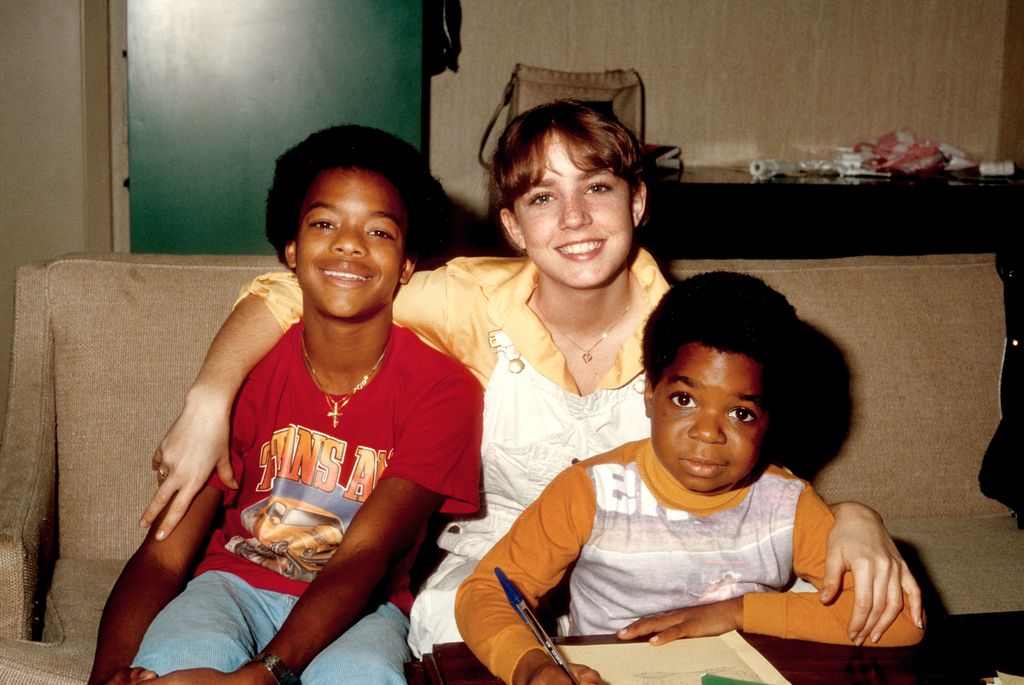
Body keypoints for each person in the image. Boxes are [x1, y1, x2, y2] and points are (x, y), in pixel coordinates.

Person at [138, 100, 922, 657]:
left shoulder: (690, 322)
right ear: (513, 225)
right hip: (503, 550)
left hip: (656, 556)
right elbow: (297, 290)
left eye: (598, 188)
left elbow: (742, 459)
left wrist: (854, 514)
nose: (574, 219)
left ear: (637, 201)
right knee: (449, 623)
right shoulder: (470, 299)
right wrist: (210, 398)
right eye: (544, 197)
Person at [87, 125, 482, 685]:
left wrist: (267, 673)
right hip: (232, 586)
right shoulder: (246, 370)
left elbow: (366, 554)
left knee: (362, 676)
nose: (349, 244)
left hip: (363, 606)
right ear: (291, 250)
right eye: (324, 224)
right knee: (178, 661)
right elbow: (164, 553)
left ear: (407, 264)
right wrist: (107, 672)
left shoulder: (444, 389)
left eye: (379, 231)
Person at [454, 271, 925, 685]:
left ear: (770, 420)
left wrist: (734, 613)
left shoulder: (787, 504)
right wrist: (531, 666)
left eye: (741, 413)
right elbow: (486, 592)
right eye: (684, 400)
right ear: (649, 394)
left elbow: (902, 620)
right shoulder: (590, 490)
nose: (707, 433)